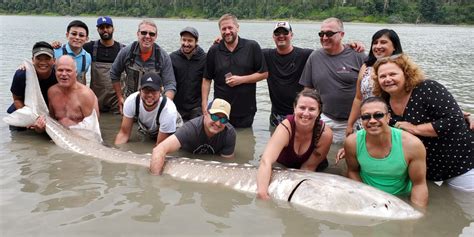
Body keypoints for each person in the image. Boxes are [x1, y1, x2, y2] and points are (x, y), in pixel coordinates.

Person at [372, 53, 474, 192]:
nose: (388, 79)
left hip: (460, 162)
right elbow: (376, 126)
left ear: (406, 74)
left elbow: (454, 120)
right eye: (382, 76)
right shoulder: (383, 101)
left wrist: (415, 129)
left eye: (393, 74)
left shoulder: (427, 88)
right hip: (424, 170)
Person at [344, 97, 428, 207]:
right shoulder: (352, 142)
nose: (372, 121)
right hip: (368, 196)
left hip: (401, 197)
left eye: (378, 115)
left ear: (388, 117)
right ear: (361, 120)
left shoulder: (412, 145)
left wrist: (417, 213)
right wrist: (365, 198)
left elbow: (419, 184)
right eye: (366, 117)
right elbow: (352, 172)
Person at [257, 89, 333, 199]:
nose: (306, 113)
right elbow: (266, 161)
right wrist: (262, 193)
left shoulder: (325, 134)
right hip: (282, 167)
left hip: (309, 169)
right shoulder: (285, 128)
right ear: (294, 108)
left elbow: (308, 167)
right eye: (302, 108)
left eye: (312, 109)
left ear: (319, 111)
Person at [299, 17, 366, 144]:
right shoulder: (314, 57)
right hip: (325, 118)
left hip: (354, 121)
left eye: (329, 33)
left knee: (353, 157)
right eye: (321, 34)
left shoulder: (358, 55)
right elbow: (308, 90)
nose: (324, 37)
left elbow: (373, 86)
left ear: (341, 35)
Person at [202, 13, 268, 128]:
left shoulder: (252, 46)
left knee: (245, 142)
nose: (227, 32)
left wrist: (241, 80)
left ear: (237, 27)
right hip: (219, 112)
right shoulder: (214, 50)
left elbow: (264, 74)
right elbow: (207, 79)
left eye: (230, 27)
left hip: (246, 110)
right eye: (223, 29)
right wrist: (204, 105)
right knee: (220, 142)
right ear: (220, 31)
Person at [149, 98, 236, 175]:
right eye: (214, 117)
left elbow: (227, 166)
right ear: (205, 113)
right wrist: (156, 183)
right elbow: (159, 149)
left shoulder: (229, 133)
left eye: (223, 119)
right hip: (184, 160)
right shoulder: (191, 128)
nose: (218, 123)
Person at [110, 19, 176, 114]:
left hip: (153, 105)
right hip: (130, 103)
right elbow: (114, 73)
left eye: (151, 34)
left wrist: (164, 106)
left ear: (156, 36)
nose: (147, 36)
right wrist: (120, 98)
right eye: (144, 33)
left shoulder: (163, 57)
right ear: (138, 34)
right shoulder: (126, 52)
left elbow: (170, 84)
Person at [346, 29, 403, 136]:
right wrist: (350, 124)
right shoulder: (366, 67)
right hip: (365, 121)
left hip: (388, 122)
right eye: (375, 43)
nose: (378, 46)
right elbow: (358, 98)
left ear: (394, 46)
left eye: (383, 42)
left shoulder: (401, 68)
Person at [32, 55, 100, 140]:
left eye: (68, 70)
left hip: (80, 140)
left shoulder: (85, 95)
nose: (64, 74)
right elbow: (51, 120)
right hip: (58, 138)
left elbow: (93, 130)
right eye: (60, 70)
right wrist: (40, 128)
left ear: (76, 73)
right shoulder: (52, 92)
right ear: (55, 72)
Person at [263, 21, 313, 127]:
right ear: (273, 36)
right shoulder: (266, 55)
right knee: (276, 142)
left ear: (291, 35)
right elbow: (245, 50)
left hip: (299, 114)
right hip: (276, 116)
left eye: (285, 33)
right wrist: (222, 42)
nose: (281, 36)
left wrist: (349, 46)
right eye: (277, 33)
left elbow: (328, 52)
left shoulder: (305, 55)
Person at [114, 72, 181, 146]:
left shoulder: (169, 110)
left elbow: (160, 146)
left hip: (172, 130)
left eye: (154, 91)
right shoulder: (131, 101)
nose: (150, 95)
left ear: (161, 92)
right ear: (140, 91)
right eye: (146, 90)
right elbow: (124, 134)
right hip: (148, 129)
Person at [7, 41, 57, 131]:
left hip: (47, 115)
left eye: (47, 58)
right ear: (32, 60)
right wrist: (31, 119)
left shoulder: (59, 75)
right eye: (39, 58)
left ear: (54, 61)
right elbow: (17, 99)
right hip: (24, 112)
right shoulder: (21, 74)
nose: (43, 62)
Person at [82, 16, 125, 113]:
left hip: (116, 101)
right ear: (97, 30)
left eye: (108, 27)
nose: (105, 30)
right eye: (102, 28)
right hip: (97, 100)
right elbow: (72, 49)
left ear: (113, 29)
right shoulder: (90, 47)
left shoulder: (123, 50)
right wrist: (56, 46)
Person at [170, 27, 206, 121]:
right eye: (184, 40)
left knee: (194, 133)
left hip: (195, 107)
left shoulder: (204, 58)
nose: (186, 44)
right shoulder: (172, 58)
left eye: (190, 41)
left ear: (196, 41)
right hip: (176, 106)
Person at [54, 20, 91, 85]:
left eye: (81, 35)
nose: (77, 37)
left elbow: (82, 77)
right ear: (67, 35)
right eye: (74, 34)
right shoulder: (55, 51)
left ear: (86, 39)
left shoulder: (87, 57)